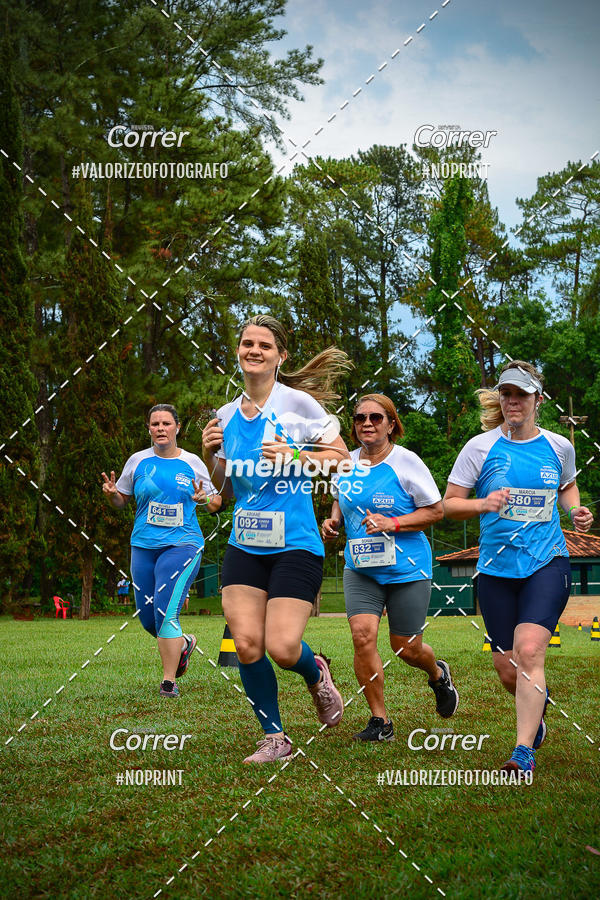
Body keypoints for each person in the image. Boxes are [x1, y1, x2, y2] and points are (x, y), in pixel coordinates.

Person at [201, 314, 351, 763]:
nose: (254, 350)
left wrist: (297, 453)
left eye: (264, 345)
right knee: (246, 643)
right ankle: (275, 737)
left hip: (296, 544)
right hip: (244, 545)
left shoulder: (299, 405)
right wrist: (210, 457)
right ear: (238, 352)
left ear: (280, 356)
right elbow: (223, 491)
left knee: (283, 647)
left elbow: (343, 461)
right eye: (247, 343)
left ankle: (316, 670)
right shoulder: (225, 415)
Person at [443, 361, 594, 777]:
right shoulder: (479, 447)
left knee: (529, 650)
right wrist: (481, 504)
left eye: (521, 394)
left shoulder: (559, 445)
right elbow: (449, 503)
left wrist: (576, 511)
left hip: (547, 562)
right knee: (509, 667)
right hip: (495, 570)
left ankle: (522, 752)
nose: (513, 401)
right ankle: (537, 711)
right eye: (506, 394)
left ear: (537, 400)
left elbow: (566, 487)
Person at [322, 393, 459, 742]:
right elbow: (340, 497)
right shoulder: (345, 463)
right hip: (361, 566)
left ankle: (437, 673)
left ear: (391, 424)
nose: (367, 423)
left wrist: (393, 524)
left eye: (376, 418)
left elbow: (436, 511)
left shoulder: (407, 462)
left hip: (406, 567)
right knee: (362, 636)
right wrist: (334, 521)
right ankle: (380, 721)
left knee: (406, 648)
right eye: (359, 418)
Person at [102, 404, 222, 697]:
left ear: (177, 428)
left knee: (165, 610)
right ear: (149, 429)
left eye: (166, 423)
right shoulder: (137, 461)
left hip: (184, 544)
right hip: (143, 545)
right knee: (148, 617)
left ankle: (169, 681)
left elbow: (216, 503)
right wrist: (112, 495)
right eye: (154, 424)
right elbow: (122, 501)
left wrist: (203, 497)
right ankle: (182, 644)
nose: (160, 428)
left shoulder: (193, 462)